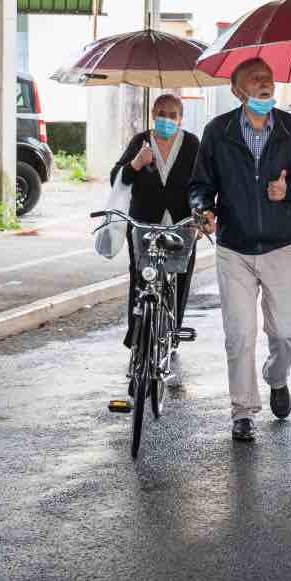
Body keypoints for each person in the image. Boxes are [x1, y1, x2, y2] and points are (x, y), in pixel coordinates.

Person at [188, 57, 291, 442]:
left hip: (282, 245)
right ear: (237, 91)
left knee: (283, 332)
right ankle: (243, 411)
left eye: (268, 78)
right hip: (234, 247)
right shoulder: (218, 132)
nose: (264, 84)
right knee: (239, 334)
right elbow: (201, 184)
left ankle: (277, 378)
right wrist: (204, 211)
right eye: (255, 80)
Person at [110, 94, 200, 392]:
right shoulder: (140, 141)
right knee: (141, 282)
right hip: (145, 224)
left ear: (180, 117)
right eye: (161, 113)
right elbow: (117, 178)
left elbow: (204, 182)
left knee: (180, 281)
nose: (166, 119)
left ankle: (172, 334)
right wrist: (136, 164)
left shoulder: (191, 144)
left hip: (181, 224)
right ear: (152, 113)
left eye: (172, 114)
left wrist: (202, 213)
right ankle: (138, 339)